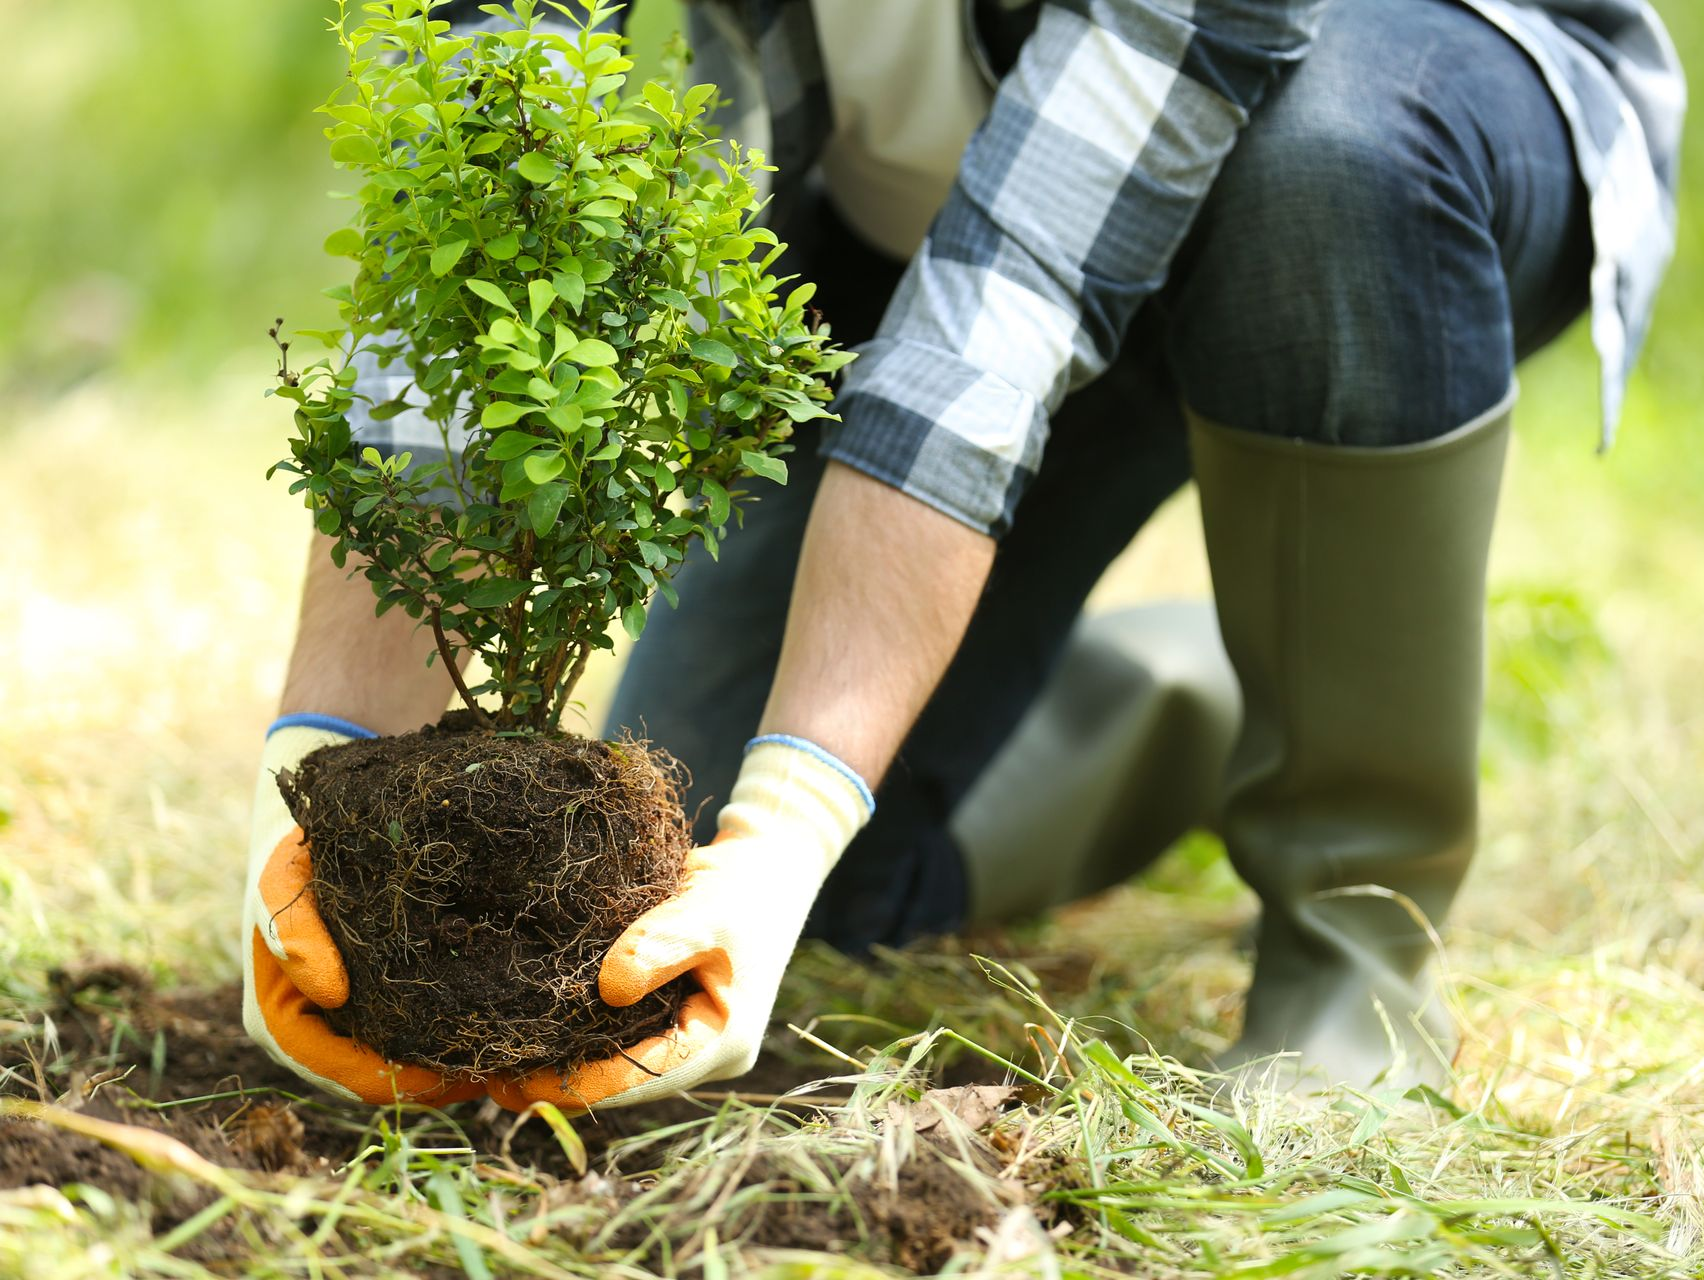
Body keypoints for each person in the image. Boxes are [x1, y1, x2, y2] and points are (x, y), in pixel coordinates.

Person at [242, 0, 1685, 1106]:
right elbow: (488, 191)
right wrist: (315, 779)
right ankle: (1218, 688)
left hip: (1379, 130)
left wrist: (799, 805)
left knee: (1329, 166)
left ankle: (1352, 942)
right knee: (724, 885)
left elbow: (1012, 298)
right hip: (926, 215)